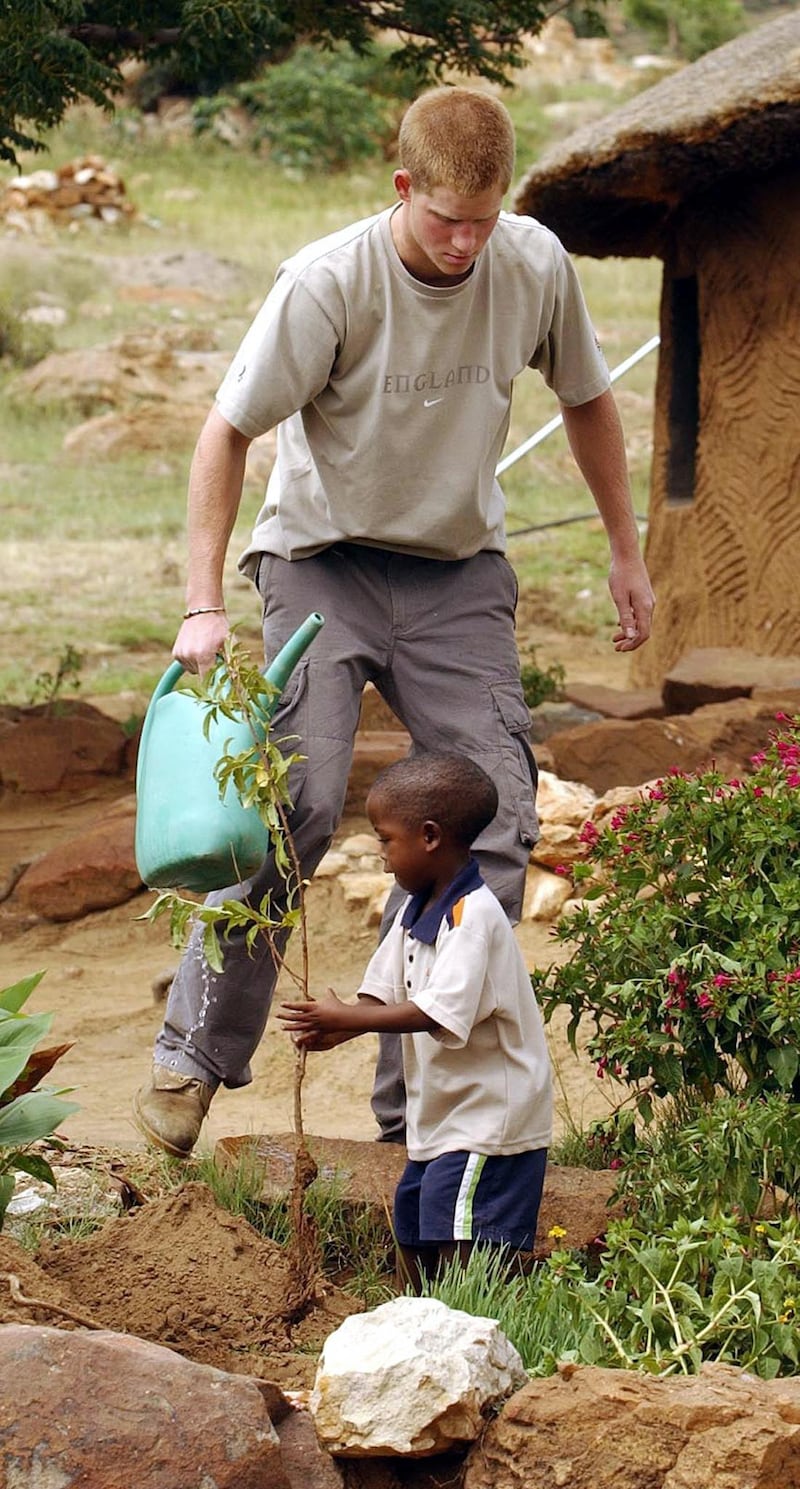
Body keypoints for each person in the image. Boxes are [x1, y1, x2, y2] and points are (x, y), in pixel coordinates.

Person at [133, 84, 654, 1160]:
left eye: (484, 218)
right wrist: (201, 604)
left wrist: (623, 548)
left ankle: (419, 1112)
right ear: (401, 187)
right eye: (443, 219)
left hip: (457, 573)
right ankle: (191, 1058)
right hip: (319, 561)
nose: (464, 244)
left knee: (491, 817)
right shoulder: (328, 282)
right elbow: (224, 432)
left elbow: (587, 398)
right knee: (296, 807)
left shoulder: (531, 262)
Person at [279, 753, 552, 1288]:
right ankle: (413, 1315)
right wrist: (345, 1025)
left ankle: (472, 1316)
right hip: (444, 1116)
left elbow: (432, 1011)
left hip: (490, 1121)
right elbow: (383, 994)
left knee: (462, 1229)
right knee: (414, 1217)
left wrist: (348, 1016)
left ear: (429, 837)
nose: (381, 858)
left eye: (385, 840)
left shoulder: (471, 918)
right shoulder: (416, 908)